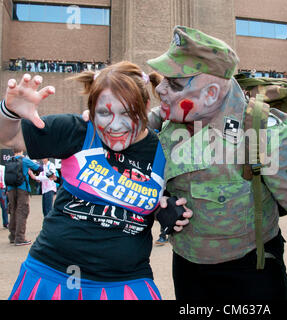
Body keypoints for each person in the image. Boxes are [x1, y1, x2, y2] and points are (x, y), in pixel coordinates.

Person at [146, 25, 287, 300]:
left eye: (174, 83)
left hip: (251, 269)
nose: (161, 89)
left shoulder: (263, 131)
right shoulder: (164, 122)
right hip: (188, 266)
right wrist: (160, 202)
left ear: (211, 93)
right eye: (164, 79)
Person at [0, 61, 193, 300]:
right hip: (52, 274)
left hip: (125, 281)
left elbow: (168, 202)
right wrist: (9, 113)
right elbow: (10, 139)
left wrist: (170, 213)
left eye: (128, 113)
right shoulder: (80, 130)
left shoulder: (164, 152)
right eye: (104, 112)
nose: (115, 125)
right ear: (91, 110)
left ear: (145, 107)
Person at [5, 148, 40, 246]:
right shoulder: (25, 160)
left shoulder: (9, 160)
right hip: (22, 188)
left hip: (11, 189)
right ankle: (20, 238)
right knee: (22, 211)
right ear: (21, 151)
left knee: (13, 211)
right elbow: (39, 168)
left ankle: (12, 236)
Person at [0, 164, 8, 228]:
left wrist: (7, 189)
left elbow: (7, 178)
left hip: (2, 189)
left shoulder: (3, 168)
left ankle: (6, 223)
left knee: (4, 207)